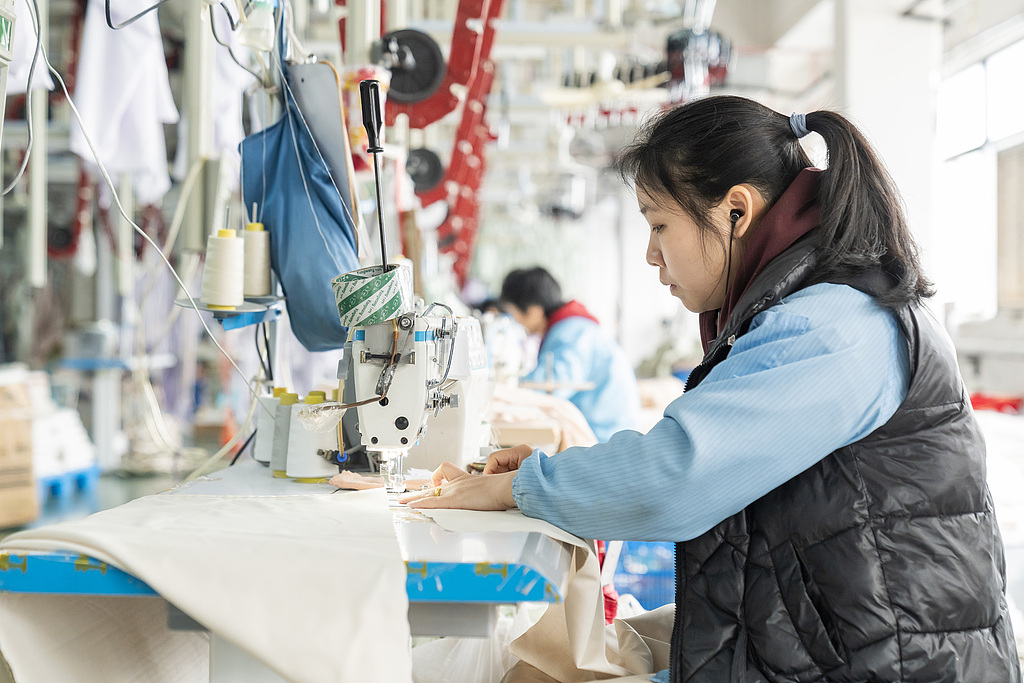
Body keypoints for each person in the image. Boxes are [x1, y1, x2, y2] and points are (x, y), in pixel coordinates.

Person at [401, 96, 1021, 682]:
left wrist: (523, 486)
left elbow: (675, 481)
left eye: (659, 224)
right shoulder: (812, 309)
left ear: (736, 211)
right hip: (837, 636)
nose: (651, 254)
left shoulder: (835, 326)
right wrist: (549, 474)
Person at [499, 266, 642, 442]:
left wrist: (502, 391)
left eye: (514, 313)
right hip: (608, 430)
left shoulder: (572, 334)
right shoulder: (573, 327)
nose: (516, 321)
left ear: (534, 310)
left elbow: (549, 387)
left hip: (606, 437)